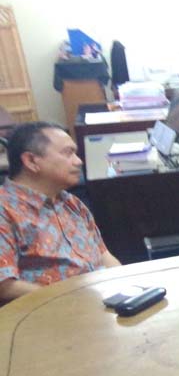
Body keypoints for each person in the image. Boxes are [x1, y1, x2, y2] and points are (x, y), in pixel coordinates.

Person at [0, 122, 120, 304]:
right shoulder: (5, 210)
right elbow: (5, 285)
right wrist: (70, 298)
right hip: (51, 311)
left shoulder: (71, 203)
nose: (78, 161)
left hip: (100, 300)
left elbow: (104, 256)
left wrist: (126, 285)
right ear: (31, 161)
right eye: (68, 153)